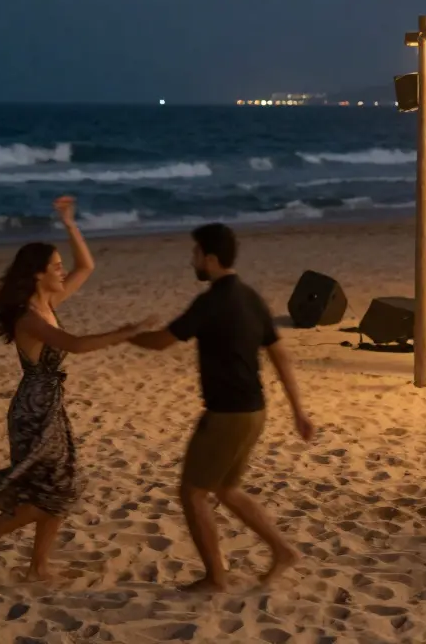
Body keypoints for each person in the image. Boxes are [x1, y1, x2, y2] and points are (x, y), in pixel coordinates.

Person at [0, 197, 151, 582]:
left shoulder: (48, 301)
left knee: (56, 487)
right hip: (33, 411)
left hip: (50, 406)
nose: (62, 271)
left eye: (60, 266)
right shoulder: (29, 317)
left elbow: (86, 266)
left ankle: (39, 567)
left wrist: (69, 223)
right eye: (56, 267)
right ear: (38, 274)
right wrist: (124, 332)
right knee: (59, 489)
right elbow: (74, 344)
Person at [129, 223, 315, 592]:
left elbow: (161, 341)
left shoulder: (211, 302)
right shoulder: (250, 296)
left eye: (196, 254)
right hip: (254, 411)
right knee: (227, 489)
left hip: (227, 416)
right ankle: (283, 551)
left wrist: (124, 335)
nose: (192, 260)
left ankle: (216, 577)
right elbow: (280, 355)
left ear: (211, 259)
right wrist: (298, 411)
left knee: (193, 493)